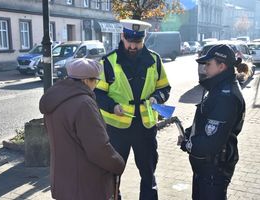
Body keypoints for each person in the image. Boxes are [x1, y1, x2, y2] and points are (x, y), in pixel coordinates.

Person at [94, 19, 171, 200]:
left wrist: (157, 97)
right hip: (117, 130)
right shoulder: (108, 62)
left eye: (137, 42)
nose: (133, 47)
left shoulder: (154, 60)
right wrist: (113, 106)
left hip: (145, 129)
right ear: (123, 37)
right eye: (130, 42)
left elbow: (165, 88)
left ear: (144, 40)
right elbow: (97, 93)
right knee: (113, 174)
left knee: (148, 173)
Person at [39, 58, 125, 200]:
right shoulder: (84, 104)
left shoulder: (55, 98)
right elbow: (98, 148)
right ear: (86, 81)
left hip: (62, 181)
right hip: (85, 186)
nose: (96, 85)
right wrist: (117, 163)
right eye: (95, 81)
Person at [179, 44, 246, 200]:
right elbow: (207, 121)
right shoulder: (219, 88)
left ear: (221, 66)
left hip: (214, 169)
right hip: (208, 168)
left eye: (208, 64)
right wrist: (190, 132)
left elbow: (212, 141)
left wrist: (188, 143)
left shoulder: (225, 96)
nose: (205, 69)